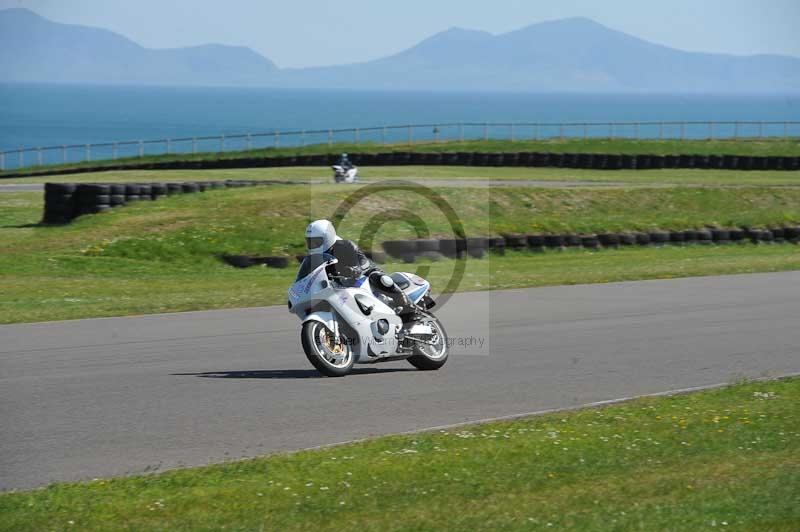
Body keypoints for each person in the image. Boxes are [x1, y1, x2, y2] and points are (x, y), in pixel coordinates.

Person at [304, 219, 413, 315]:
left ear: (327, 238)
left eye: (316, 242)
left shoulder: (345, 245)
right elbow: (307, 276)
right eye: (310, 242)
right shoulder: (313, 258)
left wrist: (355, 269)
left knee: (380, 278)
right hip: (338, 285)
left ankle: (409, 309)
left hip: (362, 275)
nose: (312, 245)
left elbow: (363, 263)